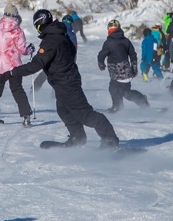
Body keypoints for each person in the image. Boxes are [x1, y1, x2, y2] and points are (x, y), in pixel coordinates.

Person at [11, 9, 119, 147]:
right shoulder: (61, 33)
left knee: (85, 114)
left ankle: (111, 141)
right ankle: (77, 137)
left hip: (67, 82)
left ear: (39, 25)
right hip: (63, 82)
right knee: (63, 110)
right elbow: (72, 51)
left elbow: (36, 64)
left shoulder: (50, 40)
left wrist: (14, 72)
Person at [0, 4, 35, 126]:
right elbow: (21, 50)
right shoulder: (18, 31)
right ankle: (26, 116)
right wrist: (29, 50)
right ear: (15, 16)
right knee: (17, 90)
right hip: (14, 67)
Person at [98, 19, 149, 112]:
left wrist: (101, 64)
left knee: (114, 89)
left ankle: (118, 106)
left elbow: (101, 55)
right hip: (126, 72)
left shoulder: (109, 42)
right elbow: (133, 55)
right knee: (125, 92)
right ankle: (142, 100)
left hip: (117, 73)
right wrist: (134, 69)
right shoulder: (126, 41)